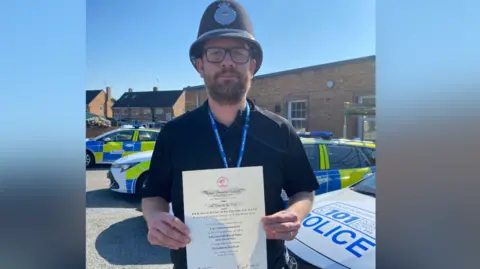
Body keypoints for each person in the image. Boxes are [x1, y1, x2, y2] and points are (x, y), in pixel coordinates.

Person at [141, 1, 320, 268]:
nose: (227, 62)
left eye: (238, 53)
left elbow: (303, 190)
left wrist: (295, 214)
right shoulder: (173, 133)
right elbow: (154, 195)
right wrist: (154, 218)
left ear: (253, 65)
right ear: (200, 65)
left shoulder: (281, 130)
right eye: (215, 53)